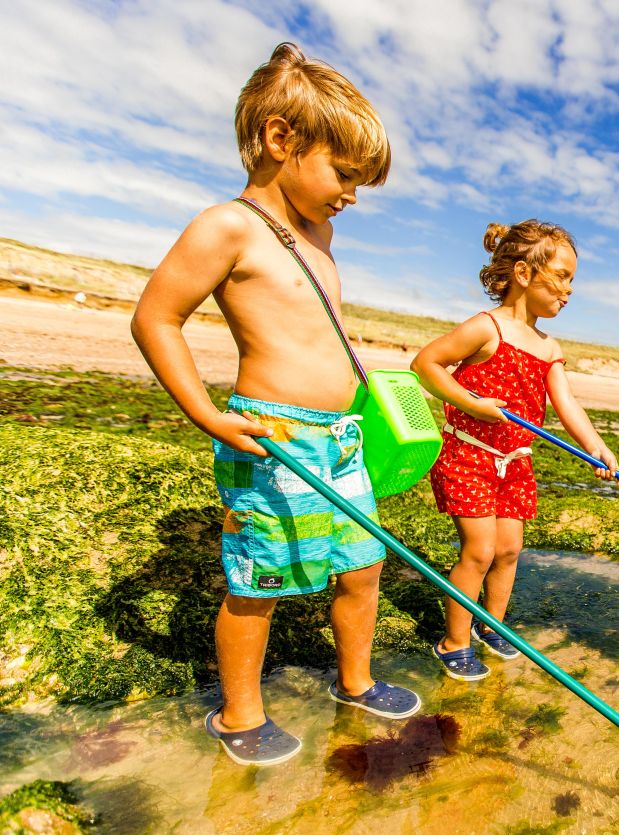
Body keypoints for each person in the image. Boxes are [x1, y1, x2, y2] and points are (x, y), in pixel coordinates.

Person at [131, 43, 420, 766]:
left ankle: (354, 682)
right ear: (280, 140)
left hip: (343, 435)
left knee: (360, 567)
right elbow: (155, 318)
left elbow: (317, 330)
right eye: (344, 174)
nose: (351, 194)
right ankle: (239, 714)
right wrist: (206, 412)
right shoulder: (226, 226)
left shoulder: (320, 235)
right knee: (259, 580)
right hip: (275, 434)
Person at [412, 220, 619, 680]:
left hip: (515, 464)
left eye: (572, 280)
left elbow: (567, 404)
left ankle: (492, 627)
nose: (569, 290)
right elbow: (426, 363)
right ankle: (454, 642)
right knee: (479, 551)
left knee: (509, 550)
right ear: (524, 273)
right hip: (468, 455)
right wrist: (473, 404)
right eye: (562, 276)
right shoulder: (486, 328)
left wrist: (597, 447)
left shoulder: (549, 347)